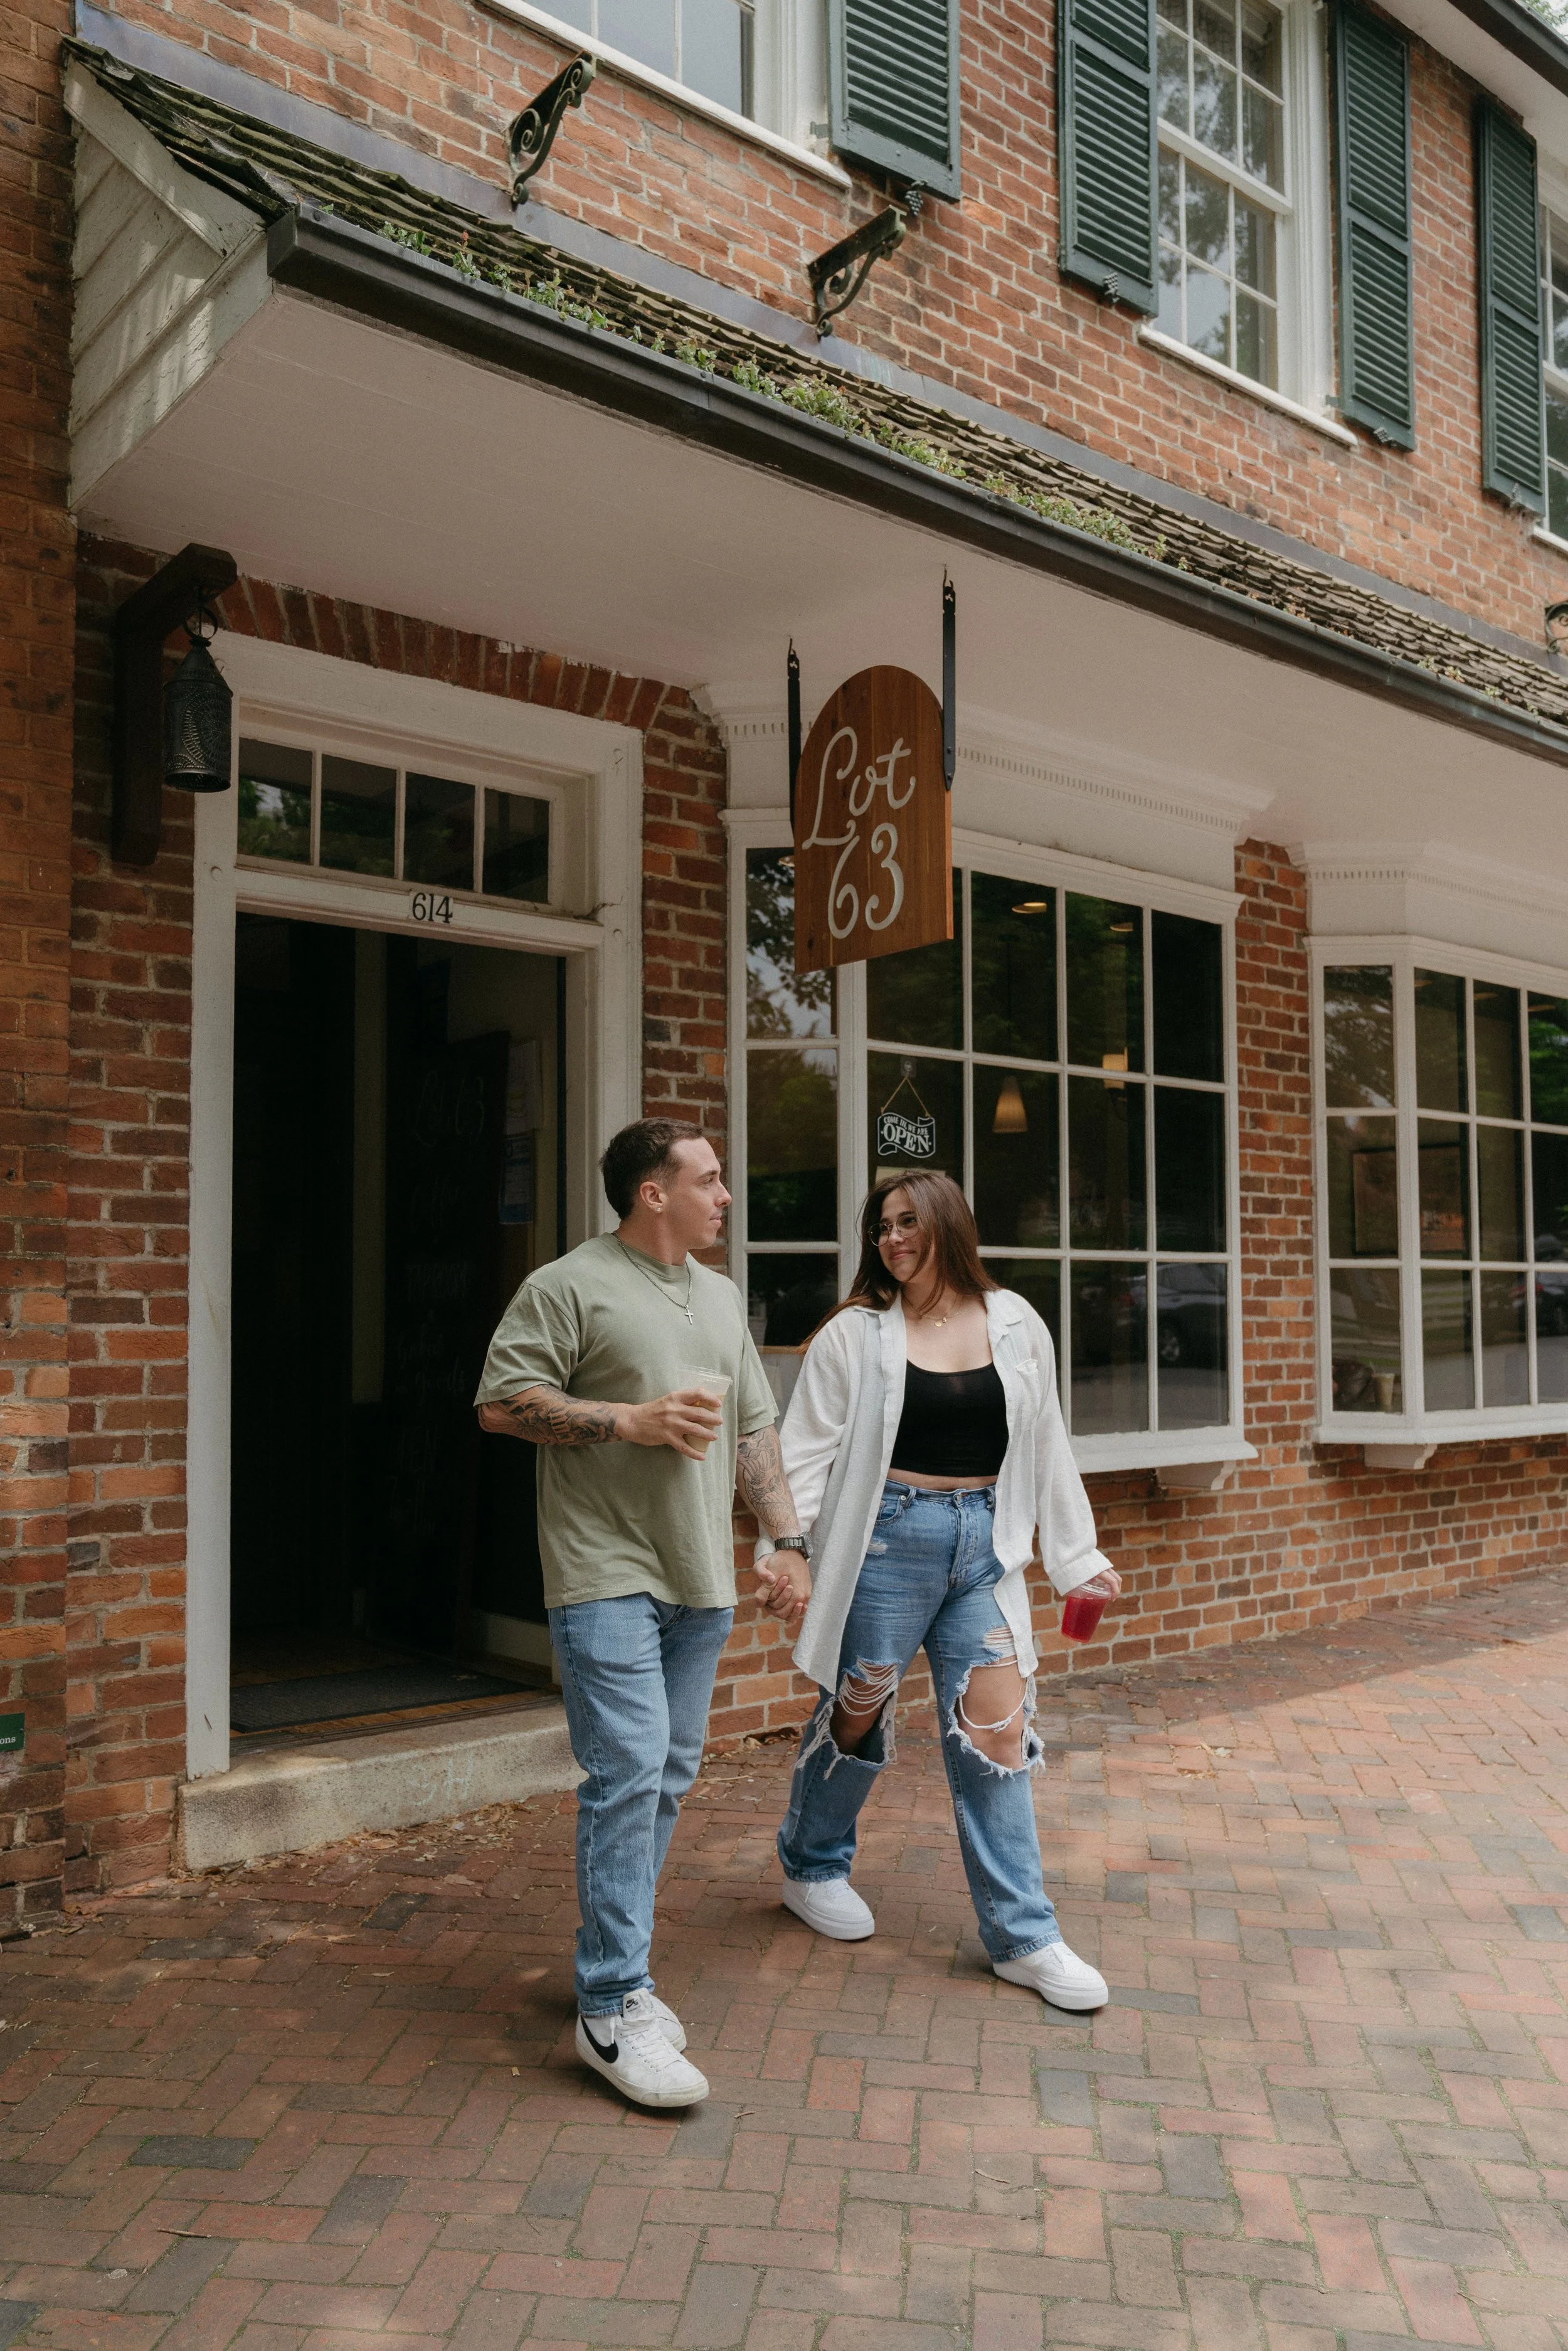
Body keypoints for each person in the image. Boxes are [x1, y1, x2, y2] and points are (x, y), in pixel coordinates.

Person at [475, 1117, 808, 2108]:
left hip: (699, 1576)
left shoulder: (718, 1295)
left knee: (663, 1775)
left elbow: (754, 1427)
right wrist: (627, 1419)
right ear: (651, 1193)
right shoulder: (568, 1285)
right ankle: (614, 2006)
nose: (726, 1196)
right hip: (603, 1571)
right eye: (709, 1181)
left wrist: (784, 1541)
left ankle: (605, 1972)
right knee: (625, 1774)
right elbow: (501, 1402)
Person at [755, 1169, 1121, 2012]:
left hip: (986, 1547)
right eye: (882, 1225)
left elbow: (1047, 1442)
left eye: (909, 1221)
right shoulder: (856, 1334)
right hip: (886, 1543)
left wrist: (1075, 1555)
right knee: (860, 1709)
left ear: (949, 1224)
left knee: (998, 1732)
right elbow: (804, 1451)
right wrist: (790, 1549)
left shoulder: (1017, 1322)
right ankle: (812, 1866)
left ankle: (1024, 1937)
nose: (893, 1238)